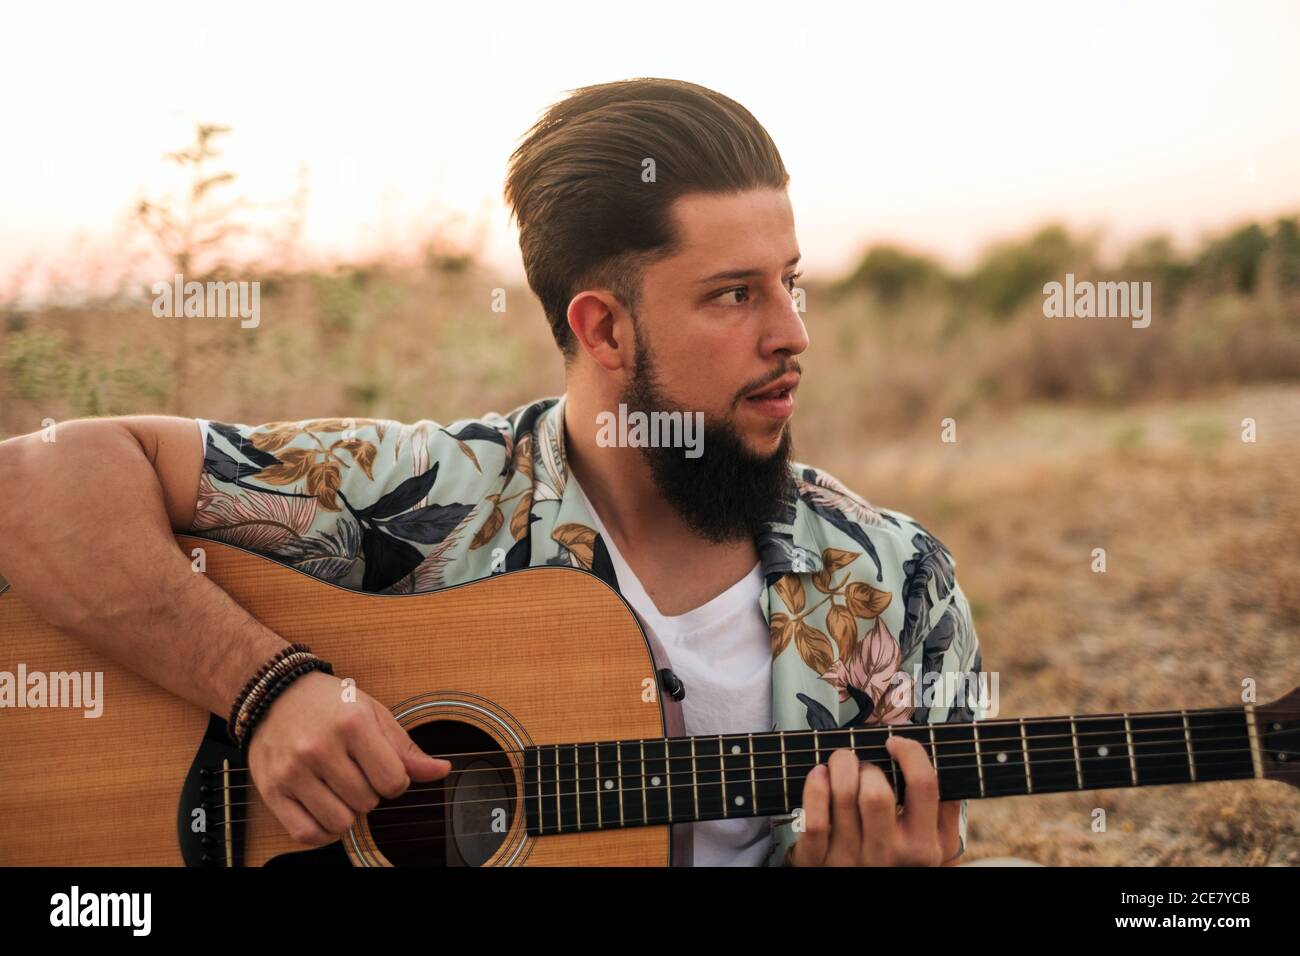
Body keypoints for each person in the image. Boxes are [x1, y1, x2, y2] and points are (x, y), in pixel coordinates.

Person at [0, 77, 993, 867]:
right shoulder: (426, 491)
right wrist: (264, 686)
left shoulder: (897, 580)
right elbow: (34, 482)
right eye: (734, 295)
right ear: (602, 326)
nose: (792, 333)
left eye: (792, 280)